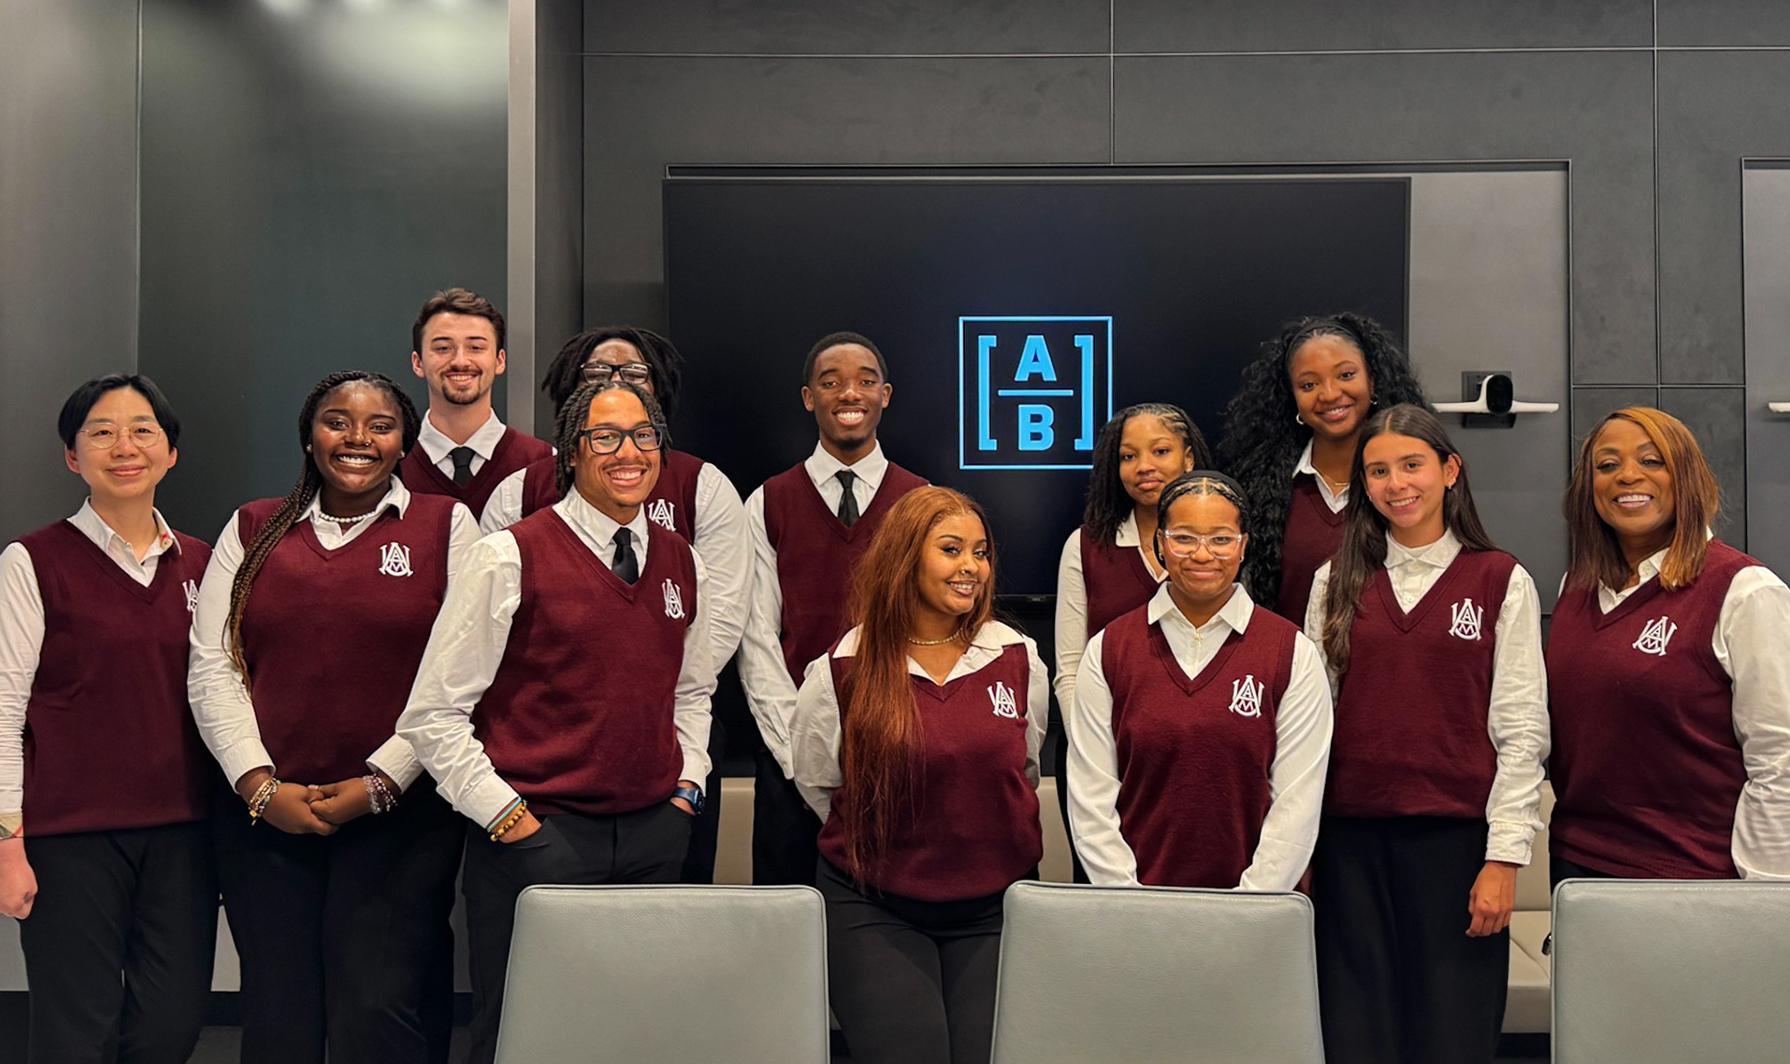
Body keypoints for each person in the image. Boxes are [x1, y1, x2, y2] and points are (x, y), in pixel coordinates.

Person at [398, 379, 715, 1064]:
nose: (627, 452)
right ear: (572, 452)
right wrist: (510, 821)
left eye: (643, 435)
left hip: (651, 836)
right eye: (605, 437)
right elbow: (433, 716)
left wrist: (686, 789)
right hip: (539, 838)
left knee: (631, 1035)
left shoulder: (679, 559)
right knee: (524, 1036)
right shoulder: (508, 555)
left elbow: (690, 689)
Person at [187, 370, 479, 1064]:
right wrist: (259, 787)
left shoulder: (447, 527)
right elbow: (214, 666)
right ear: (309, 436)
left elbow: (460, 675)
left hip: (399, 818)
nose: (357, 438)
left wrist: (382, 783)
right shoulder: (255, 527)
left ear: (404, 438)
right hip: (267, 819)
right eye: (337, 421)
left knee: (377, 1010)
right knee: (279, 1014)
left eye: (379, 424)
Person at [1304, 404, 1549, 1064]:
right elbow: (1308, 729)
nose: (1396, 483)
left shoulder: (1501, 579)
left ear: (1449, 469)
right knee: (1356, 1035)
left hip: (1457, 844)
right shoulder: (1334, 581)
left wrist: (1504, 859)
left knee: (1453, 1036)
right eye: (1377, 471)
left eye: (1411, 465)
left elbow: (1522, 730)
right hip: (1348, 843)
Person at [482, 327, 750, 882]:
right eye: (598, 373)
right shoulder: (516, 495)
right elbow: (474, 653)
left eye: (634, 373)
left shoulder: (702, 488)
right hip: (542, 786)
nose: (617, 381)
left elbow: (714, 629)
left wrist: (684, 789)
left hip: (660, 768)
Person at [0, 375, 215, 1064]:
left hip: (184, 833)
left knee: (172, 1025)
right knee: (75, 1033)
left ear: (171, 452)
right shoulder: (33, 562)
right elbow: (3, 708)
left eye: (142, 429)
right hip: (70, 841)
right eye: (101, 431)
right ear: (73, 456)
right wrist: (6, 843)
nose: (124, 446)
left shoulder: (205, 564)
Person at [790, 486, 1045, 1064]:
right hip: (874, 908)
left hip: (995, 908)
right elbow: (818, 781)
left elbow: (1024, 768)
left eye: (980, 552)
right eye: (951, 549)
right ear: (907, 557)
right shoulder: (844, 666)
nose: (971, 568)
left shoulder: (1018, 657)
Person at [1547, 407, 1790, 884]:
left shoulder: (1745, 590)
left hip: (1695, 878)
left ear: (1687, 477)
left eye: (1652, 461)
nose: (1628, 476)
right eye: (1607, 464)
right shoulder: (1573, 588)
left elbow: (1780, 759)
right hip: (1578, 866)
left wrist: (1766, 893)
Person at [1067, 471, 1331, 890]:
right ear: (1161, 544)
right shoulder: (1109, 650)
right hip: (1133, 908)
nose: (1203, 554)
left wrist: (1250, 905)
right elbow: (1091, 799)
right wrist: (1129, 900)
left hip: (1256, 913)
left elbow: (1297, 804)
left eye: (1222, 539)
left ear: (1244, 545)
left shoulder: (1291, 653)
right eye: (1185, 538)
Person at [737, 331, 927, 886]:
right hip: (788, 752)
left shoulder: (921, 501)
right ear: (808, 398)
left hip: (898, 745)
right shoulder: (768, 502)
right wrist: (801, 748)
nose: (850, 392)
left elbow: (934, 630)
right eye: (831, 381)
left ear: (885, 395)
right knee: (787, 917)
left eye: (866, 381)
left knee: (890, 907)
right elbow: (757, 637)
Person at [1053, 402, 1211, 880]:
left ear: (1188, 458)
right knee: (1108, 908)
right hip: (1101, 764)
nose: (1144, 467)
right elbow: (1069, 669)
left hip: (1197, 760)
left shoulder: (1221, 541)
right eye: (1128, 456)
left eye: (1160, 451)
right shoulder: (1085, 546)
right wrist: (1097, 753)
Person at [1218, 313, 1430, 624]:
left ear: (1373, 380)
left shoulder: (1410, 485)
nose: (1329, 394)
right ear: (1293, 398)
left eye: (1345, 375)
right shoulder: (1260, 490)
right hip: (1288, 668)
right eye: (1309, 384)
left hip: (1387, 668)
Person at [399, 287, 553, 522]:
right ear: (417, 362)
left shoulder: (544, 463)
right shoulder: (392, 465)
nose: (460, 361)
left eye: (476, 347)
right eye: (443, 348)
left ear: (499, 361)